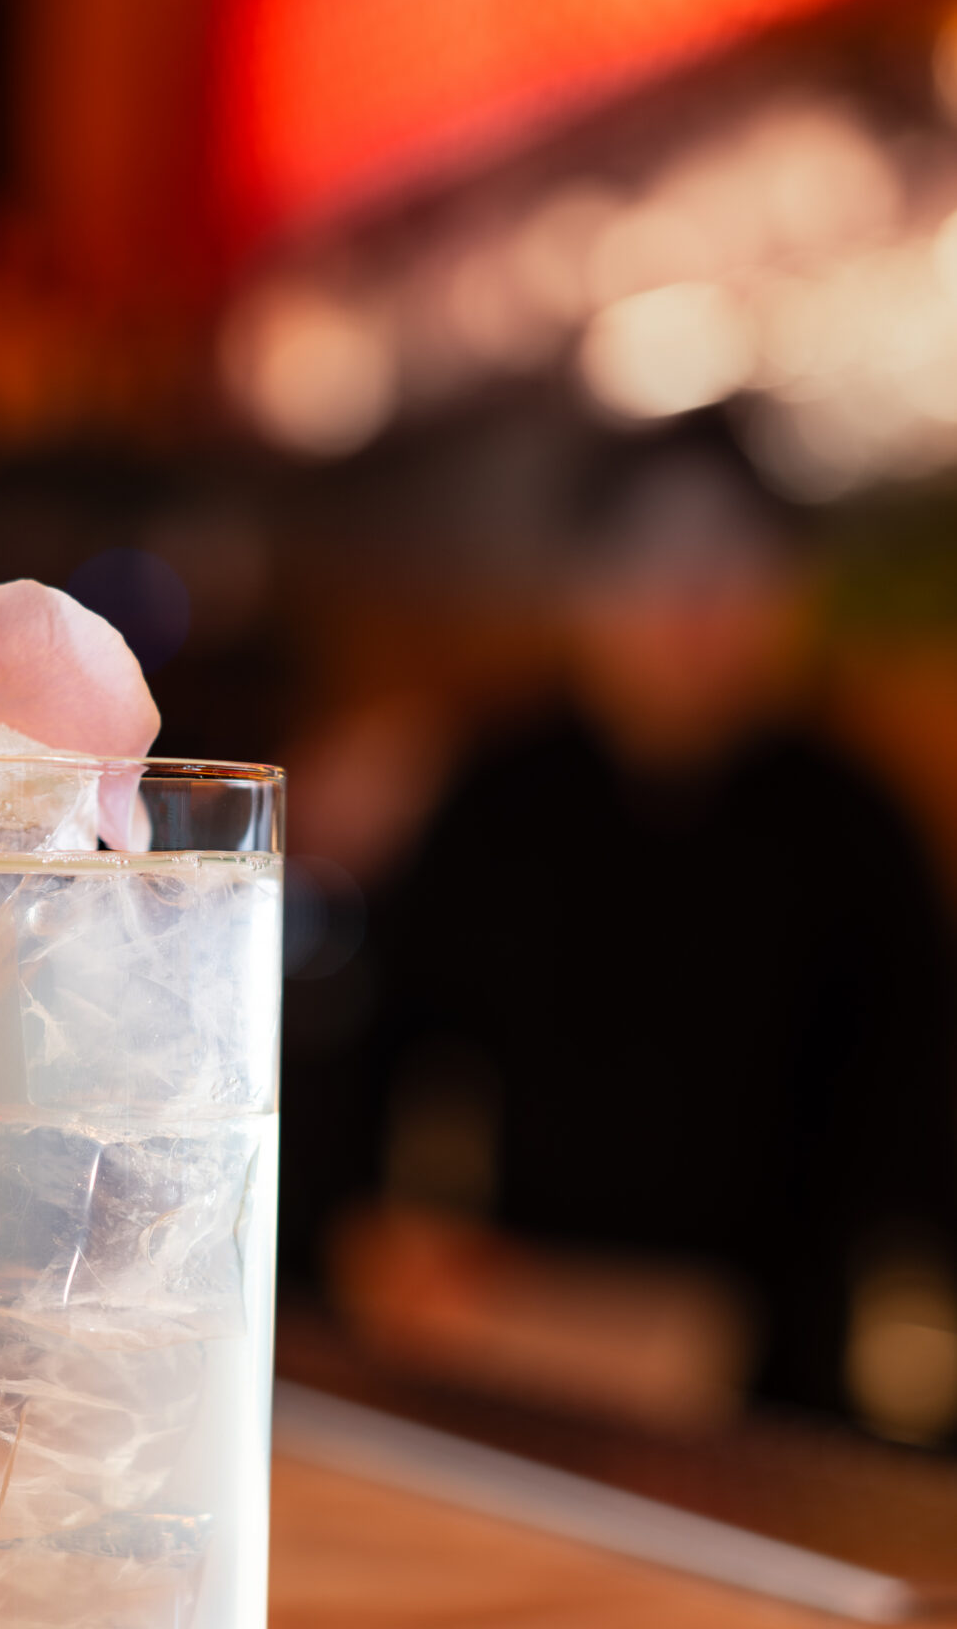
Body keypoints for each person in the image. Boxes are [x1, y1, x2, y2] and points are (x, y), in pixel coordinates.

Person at [327, 419, 957, 1445]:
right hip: (506, 1359)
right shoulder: (495, 794)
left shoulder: (858, 828)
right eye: (647, 558)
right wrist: (399, 1254)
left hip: (776, 1397)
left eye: (732, 558)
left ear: (796, 591)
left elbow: (904, 1151)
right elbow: (382, 1063)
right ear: (579, 590)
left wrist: (748, 1337)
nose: (689, 603)